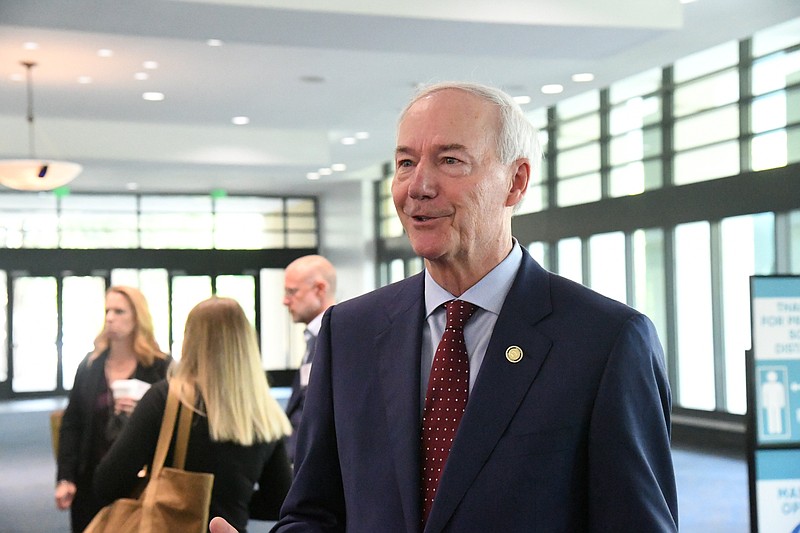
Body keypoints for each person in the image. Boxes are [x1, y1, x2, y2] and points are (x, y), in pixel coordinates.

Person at [211, 81, 678, 533]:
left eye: (450, 161)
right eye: (406, 162)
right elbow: (316, 514)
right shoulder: (349, 331)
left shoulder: (605, 341)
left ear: (515, 183)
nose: (418, 186)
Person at [94, 297, 293, 532]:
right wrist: (234, 503)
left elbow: (107, 484)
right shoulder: (264, 413)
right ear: (247, 344)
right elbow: (280, 502)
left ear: (190, 340)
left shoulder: (167, 399)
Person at [55, 286, 171, 532]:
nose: (110, 318)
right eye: (108, 311)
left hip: (141, 484)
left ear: (137, 317)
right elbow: (71, 424)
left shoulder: (160, 366)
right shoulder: (90, 365)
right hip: (91, 482)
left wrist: (145, 410)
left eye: (119, 311)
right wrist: (65, 477)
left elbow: (174, 426)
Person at [281, 254, 336, 462]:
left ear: (319, 290)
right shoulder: (313, 338)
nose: (285, 300)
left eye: (292, 292)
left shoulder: (336, 338)